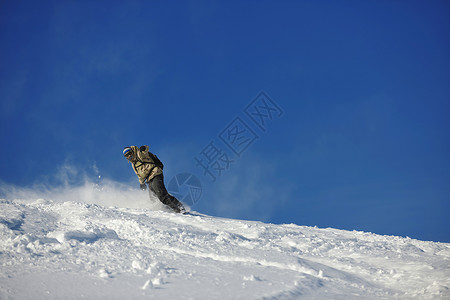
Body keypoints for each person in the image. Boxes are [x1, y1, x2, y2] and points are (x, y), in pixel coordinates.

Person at [123, 145, 185, 213]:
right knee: (154, 199)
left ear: (132, 151)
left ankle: (179, 208)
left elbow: (146, 149)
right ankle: (168, 209)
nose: (129, 156)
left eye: (129, 153)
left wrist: (143, 148)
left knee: (162, 195)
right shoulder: (133, 165)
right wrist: (142, 183)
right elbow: (139, 175)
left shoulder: (139, 154)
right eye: (126, 155)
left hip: (155, 173)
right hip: (149, 179)